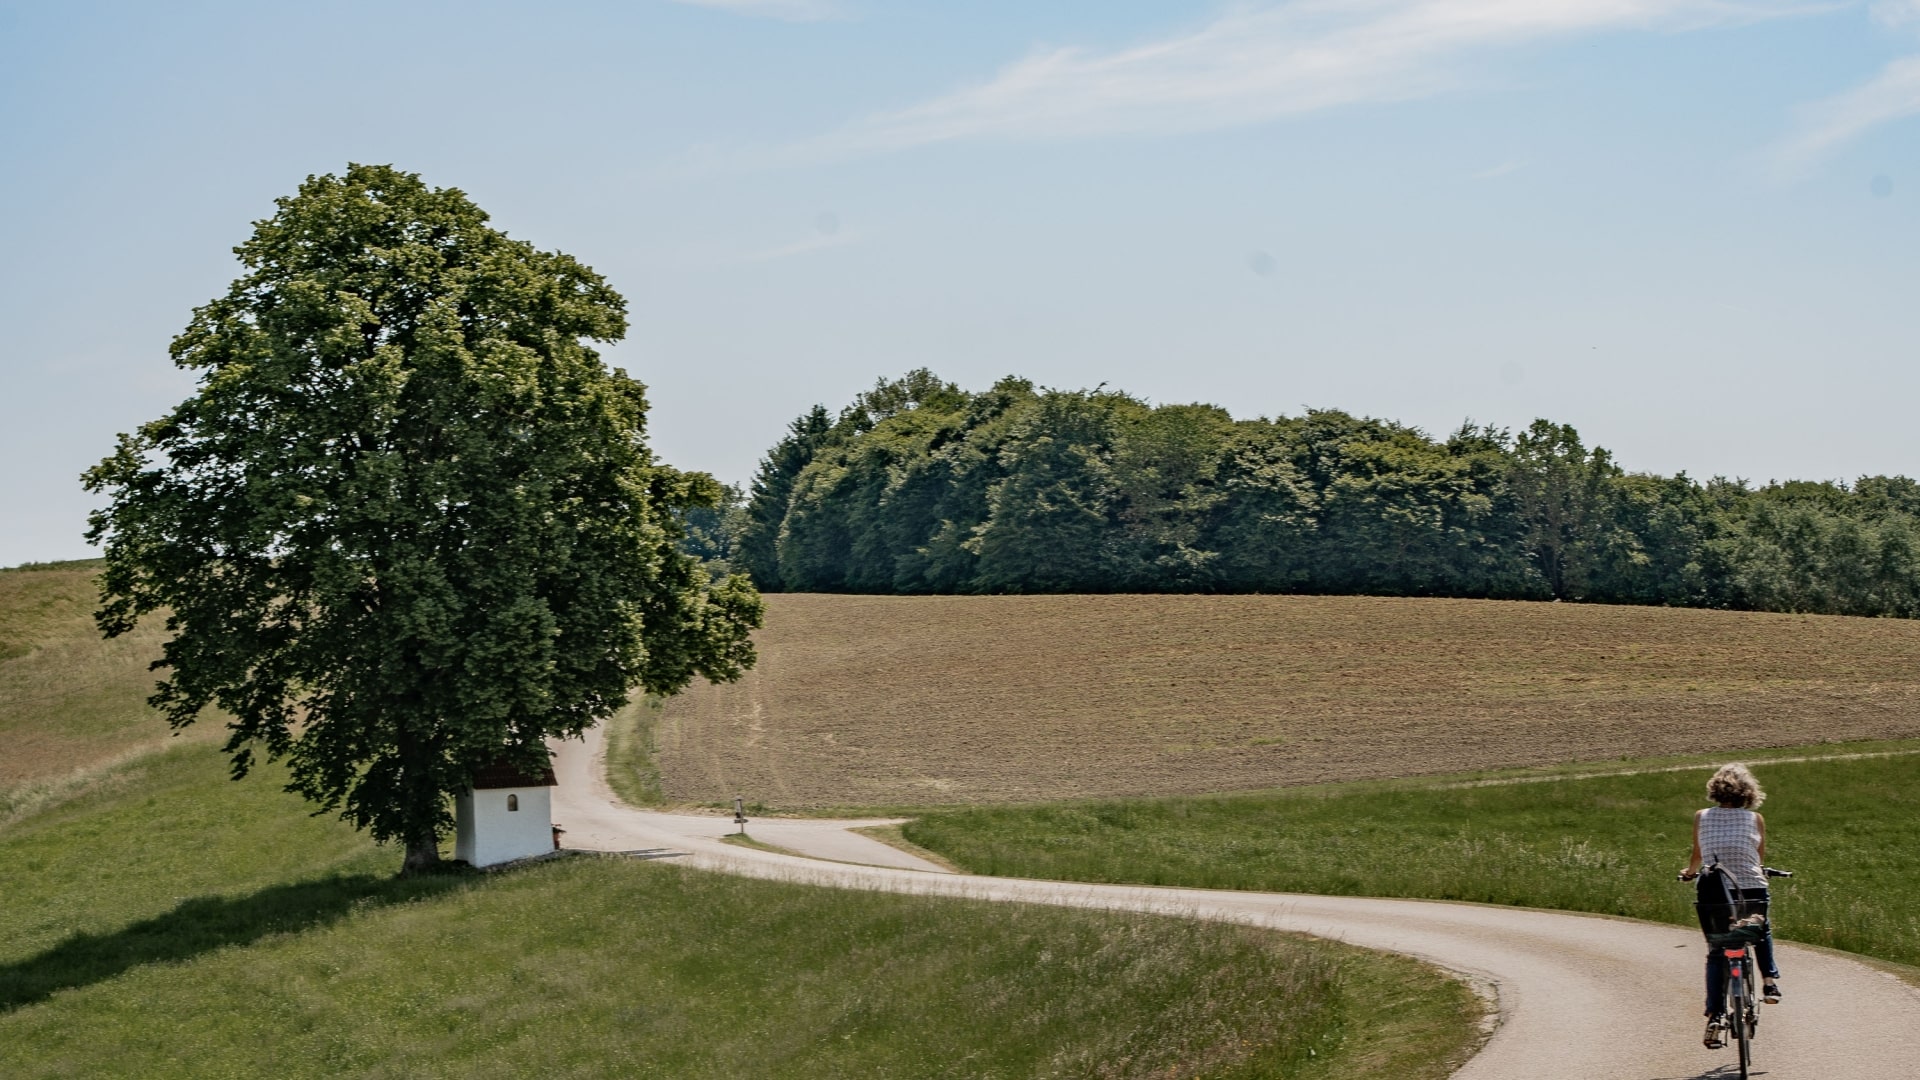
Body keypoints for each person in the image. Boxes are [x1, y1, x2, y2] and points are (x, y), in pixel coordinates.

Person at [1679, 762, 1781, 1049]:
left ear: (1714, 790)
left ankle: (1714, 1014)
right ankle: (1770, 980)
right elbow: (1757, 859)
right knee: (1759, 929)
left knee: (1716, 950)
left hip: (1715, 892)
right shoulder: (1755, 819)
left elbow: (1698, 855)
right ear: (1748, 793)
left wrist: (1688, 874)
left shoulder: (1702, 817)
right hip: (1750, 886)